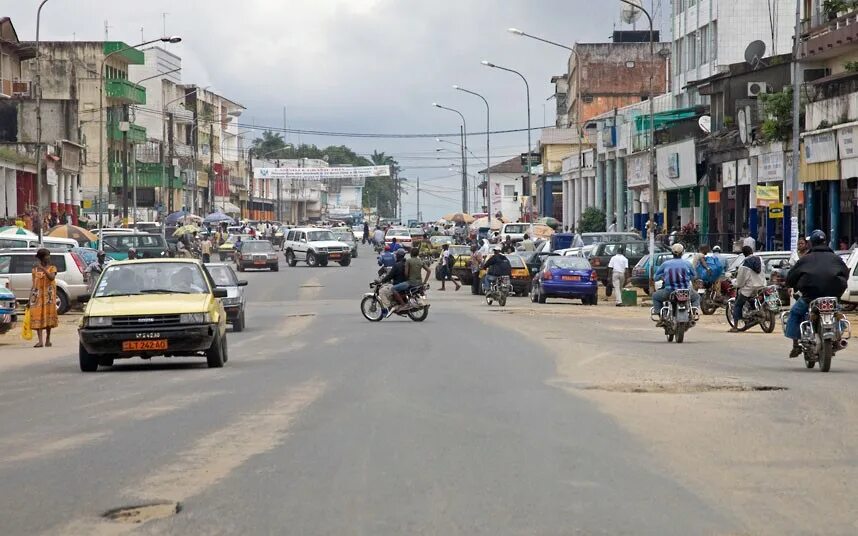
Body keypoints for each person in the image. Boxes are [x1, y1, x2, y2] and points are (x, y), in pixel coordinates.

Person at [784, 230, 849, 357]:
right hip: (832, 297)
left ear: (811, 244)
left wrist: (791, 285)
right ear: (825, 242)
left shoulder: (805, 259)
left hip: (810, 297)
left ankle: (796, 344)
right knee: (836, 313)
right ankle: (839, 336)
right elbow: (845, 274)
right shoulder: (836, 258)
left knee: (795, 313)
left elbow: (791, 277)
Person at [652, 243, 700, 324]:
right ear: (683, 253)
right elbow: (694, 276)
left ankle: (661, 316)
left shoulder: (665, 264)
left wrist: (662, 277)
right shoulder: (687, 263)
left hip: (669, 291)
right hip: (685, 292)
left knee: (655, 296)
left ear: (672, 253)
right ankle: (693, 314)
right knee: (696, 297)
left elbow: (655, 277)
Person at [729, 246, 766, 333]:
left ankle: (735, 327)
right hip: (761, 285)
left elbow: (740, 282)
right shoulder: (760, 260)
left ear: (743, 254)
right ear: (752, 251)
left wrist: (734, 283)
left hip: (749, 288)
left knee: (738, 305)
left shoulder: (744, 265)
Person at [30, 248, 58, 348]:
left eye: (49, 255)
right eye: (46, 256)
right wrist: (30, 299)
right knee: (38, 317)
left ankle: (48, 339)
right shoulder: (34, 270)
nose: (48, 257)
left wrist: (43, 269)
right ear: (41, 257)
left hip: (48, 298)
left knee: (48, 318)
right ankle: (40, 341)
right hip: (37, 298)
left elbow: (51, 278)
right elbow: (33, 284)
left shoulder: (52, 268)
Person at [380, 249, 409, 316]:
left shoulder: (396, 265)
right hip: (407, 283)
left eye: (396, 255)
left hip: (399, 285)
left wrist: (382, 281)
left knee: (382, 292)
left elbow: (390, 276)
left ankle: (389, 307)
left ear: (398, 256)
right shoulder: (407, 263)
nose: (395, 256)